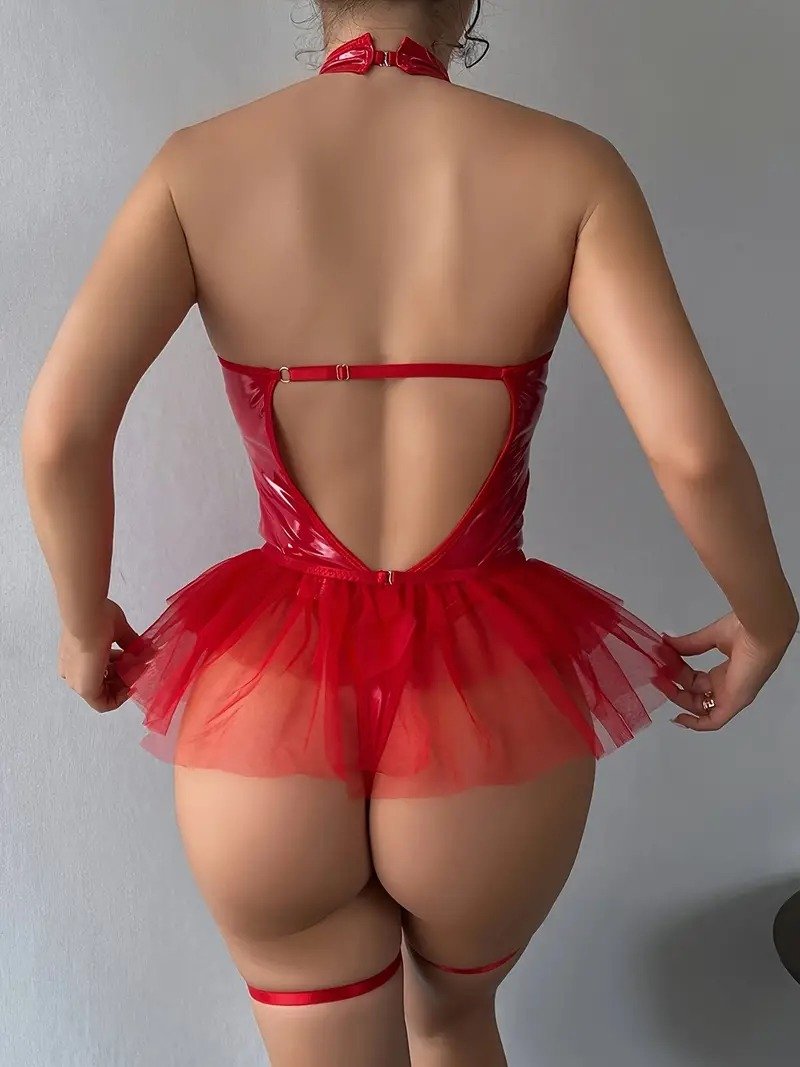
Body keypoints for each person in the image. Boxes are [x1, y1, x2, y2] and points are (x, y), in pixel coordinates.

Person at [20, 2, 797, 1065]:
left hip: (271, 710)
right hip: (485, 707)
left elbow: (59, 432)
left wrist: (81, 623)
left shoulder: (197, 165)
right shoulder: (572, 167)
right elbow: (692, 453)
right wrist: (765, 613)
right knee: (457, 1020)